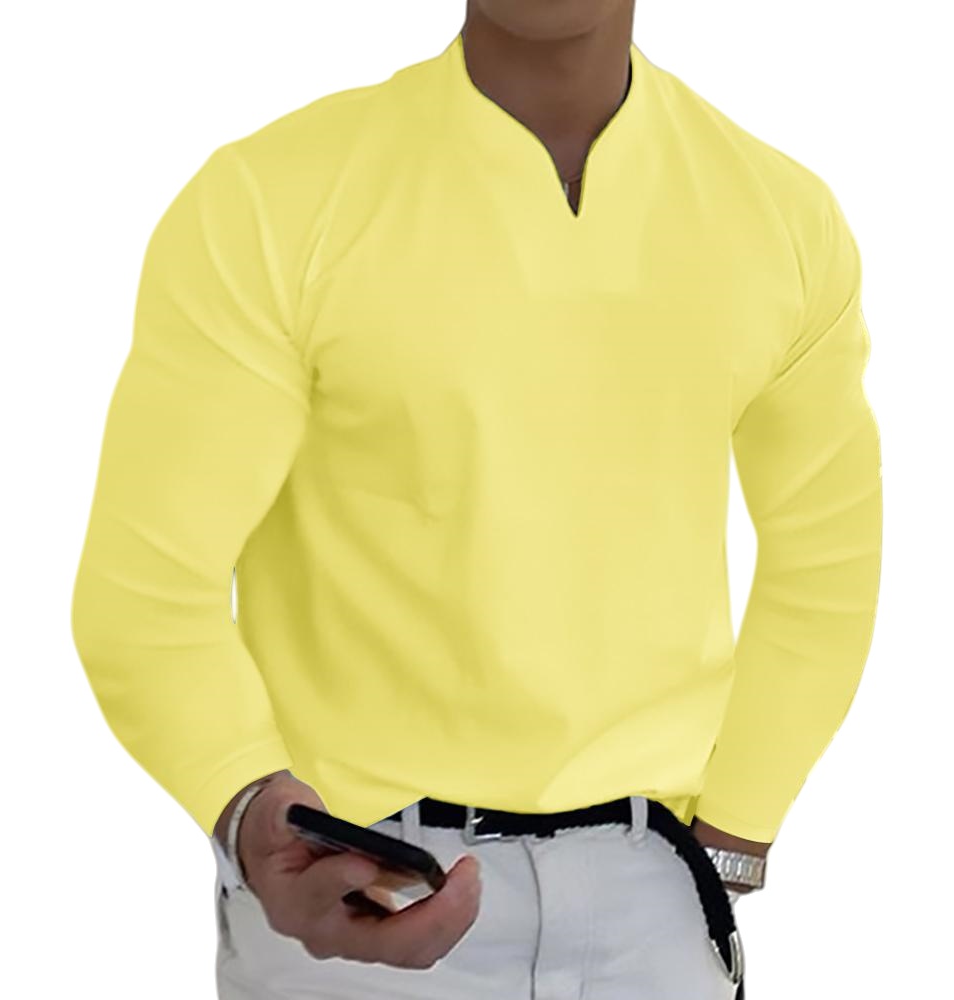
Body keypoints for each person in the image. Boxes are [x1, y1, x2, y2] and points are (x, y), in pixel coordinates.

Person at [70, 1, 883, 997]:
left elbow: (823, 560)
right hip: (356, 890)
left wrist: (731, 842)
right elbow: (149, 586)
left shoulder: (782, 217)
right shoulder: (271, 200)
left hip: (656, 898)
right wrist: (247, 808)